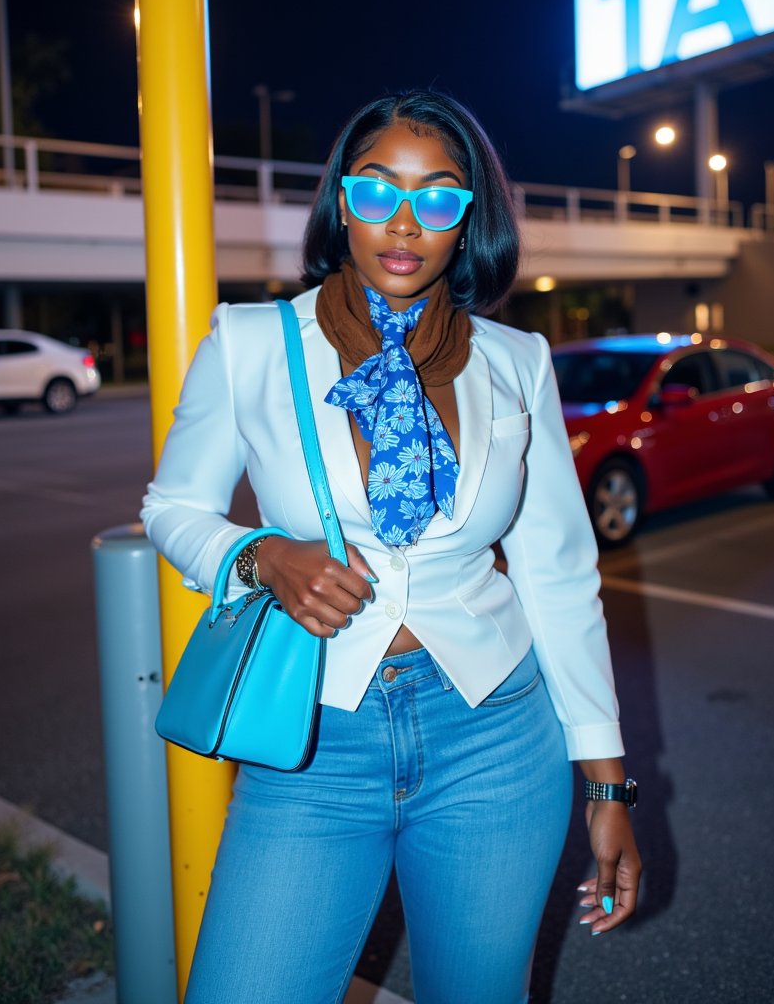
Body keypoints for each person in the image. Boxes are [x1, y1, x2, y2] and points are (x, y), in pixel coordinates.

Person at [142, 89, 642, 1004]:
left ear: (469, 220)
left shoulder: (515, 360)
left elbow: (558, 571)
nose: (404, 222)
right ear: (342, 202)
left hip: (496, 734)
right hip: (313, 741)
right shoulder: (252, 342)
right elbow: (173, 507)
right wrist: (263, 556)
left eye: (439, 197)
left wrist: (606, 780)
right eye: (377, 191)